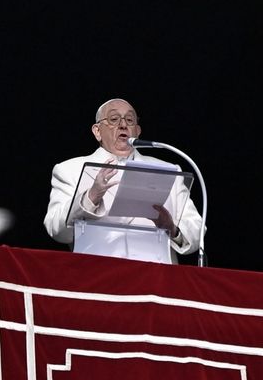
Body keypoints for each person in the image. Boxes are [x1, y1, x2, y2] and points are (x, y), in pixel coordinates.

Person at [43, 98, 202, 262]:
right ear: (97, 131)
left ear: (137, 131)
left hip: (157, 279)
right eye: (113, 119)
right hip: (97, 277)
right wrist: (90, 197)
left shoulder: (169, 171)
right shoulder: (70, 169)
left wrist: (171, 228)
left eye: (130, 120)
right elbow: (55, 229)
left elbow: (196, 230)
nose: (123, 124)